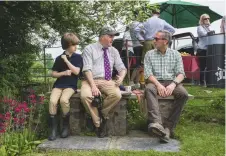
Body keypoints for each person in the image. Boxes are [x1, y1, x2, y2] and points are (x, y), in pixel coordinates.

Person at [81, 26, 127, 138]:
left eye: (113, 37)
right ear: (102, 36)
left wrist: (121, 78)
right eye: (110, 36)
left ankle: (102, 112)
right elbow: (87, 69)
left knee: (116, 94)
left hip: (107, 80)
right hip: (90, 80)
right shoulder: (89, 49)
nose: (113, 39)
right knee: (85, 96)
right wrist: (93, 86)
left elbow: (122, 68)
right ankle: (98, 124)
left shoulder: (114, 51)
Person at [144, 30, 188, 143]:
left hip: (172, 81)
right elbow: (148, 74)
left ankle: (168, 127)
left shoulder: (176, 54)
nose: (154, 41)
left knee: (183, 94)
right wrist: (158, 85)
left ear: (165, 41)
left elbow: (181, 74)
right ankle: (157, 123)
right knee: (149, 89)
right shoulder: (149, 54)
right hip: (155, 81)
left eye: (156, 39)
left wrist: (173, 85)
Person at [48, 33, 82, 141]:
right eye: (74, 45)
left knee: (63, 100)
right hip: (58, 85)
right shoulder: (58, 58)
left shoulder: (78, 57)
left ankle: (65, 127)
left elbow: (76, 72)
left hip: (71, 86)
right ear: (67, 45)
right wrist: (63, 73)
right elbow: (53, 74)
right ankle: (53, 129)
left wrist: (66, 61)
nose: (76, 47)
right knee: (53, 101)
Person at [197, 14, 214, 86]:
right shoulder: (199, 27)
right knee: (203, 66)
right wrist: (210, 32)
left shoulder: (209, 27)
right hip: (202, 49)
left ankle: (209, 81)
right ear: (202, 20)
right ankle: (202, 82)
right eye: (205, 19)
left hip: (209, 49)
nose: (207, 20)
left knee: (209, 65)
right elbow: (203, 34)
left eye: (208, 18)